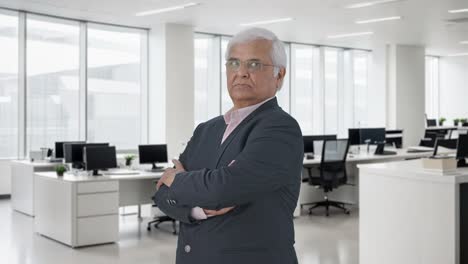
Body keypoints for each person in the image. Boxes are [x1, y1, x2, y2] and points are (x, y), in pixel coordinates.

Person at [154, 27, 304, 264]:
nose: (241, 72)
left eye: (254, 64)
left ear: (279, 75)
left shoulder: (280, 128)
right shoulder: (206, 130)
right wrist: (198, 209)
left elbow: (223, 189)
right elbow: (162, 196)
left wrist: (177, 180)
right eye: (234, 63)